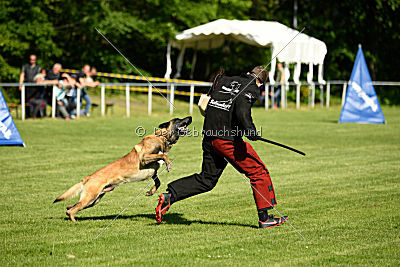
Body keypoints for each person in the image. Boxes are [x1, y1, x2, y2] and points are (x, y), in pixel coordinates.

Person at [155, 66, 288, 229]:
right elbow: (241, 110)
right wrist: (251, 131)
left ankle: (170, 196)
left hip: (209, 137)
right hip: (227, 141)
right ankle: (265, 218)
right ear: (261, 83)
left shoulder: (223, 80)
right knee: (258, 172)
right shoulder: (252, 87)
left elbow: (206, 103)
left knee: (207, 180)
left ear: (248, 73)